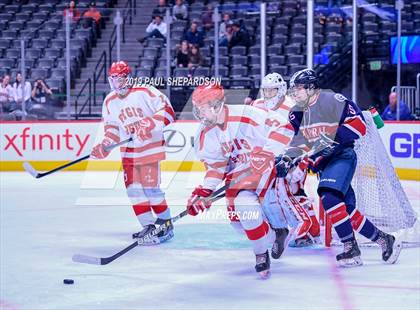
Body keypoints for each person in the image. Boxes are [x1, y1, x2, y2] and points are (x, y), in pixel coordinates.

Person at [284, 68, 402, 267]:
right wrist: (289, 159)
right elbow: (299, 143)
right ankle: (384, 239)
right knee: (345, 209)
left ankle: (350, 248)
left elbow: (359, 125)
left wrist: (330, 140)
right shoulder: (295, 114)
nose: (295, 92)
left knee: (328, 196)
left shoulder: (333, 101)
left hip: (342, 156)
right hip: (323, 164)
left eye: (298, 88)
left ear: (312, 88)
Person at [186, 83, 295, 277]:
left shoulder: (246, 114)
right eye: (198, 108)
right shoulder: (206, 133)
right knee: (239, 223)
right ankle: (277, 233)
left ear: (216, 105)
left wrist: (267, 153)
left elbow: (284, 127)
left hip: (264, 170)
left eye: (202, 108)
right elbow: (216, 167)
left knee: (246, 209)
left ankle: (261, 255)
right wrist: (205, 192)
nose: (199, 113)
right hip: (238, 178)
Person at [90, 61, 176, 244]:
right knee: (134, 190)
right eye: (113, 79)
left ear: (128, 77)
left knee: (150, 188)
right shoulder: (109, 101)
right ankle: (149, 225)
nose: (116, 83)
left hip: (149, 147)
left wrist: (149, 124)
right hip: (128, 152)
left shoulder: (145, 91)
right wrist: (105, 145)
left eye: (120, 79)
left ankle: (165, 223)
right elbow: (112, 129)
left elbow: (169, 112)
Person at [251, 73, 321, 249]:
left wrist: (295, 156)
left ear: (281, 89)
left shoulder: (293, 106)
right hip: (267, 158)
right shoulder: (256, 105)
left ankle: (309, 230)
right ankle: (277, 229)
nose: (268, 94)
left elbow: (302, 133)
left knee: (294, 190)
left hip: (290, 156)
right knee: (268, 196)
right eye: (265, 90)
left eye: (272, 90)